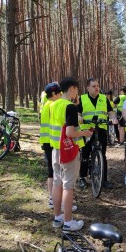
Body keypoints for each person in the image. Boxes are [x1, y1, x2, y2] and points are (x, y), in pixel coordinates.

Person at [49, 77, 92, 232]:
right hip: (68, 151)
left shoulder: (54, 104)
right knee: (68, 186)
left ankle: (58, 217)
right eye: (76, 90)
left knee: (57, 182)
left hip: (56, 149)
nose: (77, 93)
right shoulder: (70, 107)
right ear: (72, 88)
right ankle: (68, 222)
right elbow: (70, 132)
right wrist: (85, 132)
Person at [77, 77, 117, 190]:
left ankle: (104, 180)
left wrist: (113, 118)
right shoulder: (82, 98)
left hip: (101, 128)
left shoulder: (104, 98)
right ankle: (82, 177)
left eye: (98, 86)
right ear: (88, 87)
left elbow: (110, 112)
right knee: (85, 154)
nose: (97, 88)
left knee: (102, 154)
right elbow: (77, 113)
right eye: (94, 86)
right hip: (87, 130)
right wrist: (79, 117)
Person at [39, 82, 62, 210]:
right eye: (59, 93)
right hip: (52, 141)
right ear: (53, 94)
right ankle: (57, 200)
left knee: (52, 171)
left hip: (47, 140)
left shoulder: (46, 104)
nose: (60, 95)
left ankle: (53, 199)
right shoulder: (53, 105)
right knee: (55, 171)